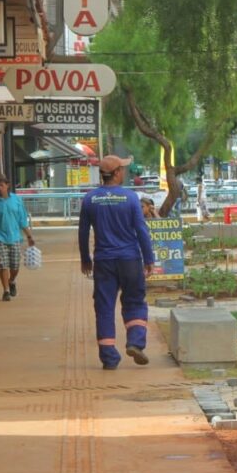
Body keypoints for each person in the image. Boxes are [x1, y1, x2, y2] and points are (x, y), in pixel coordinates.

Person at [79, 155, 156, 370]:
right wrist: (148, 258)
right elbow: (141, 230)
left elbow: (83, 231)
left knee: (104, 307)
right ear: (116, 173)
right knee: (135, 301)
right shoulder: (131, 198)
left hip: (104, 261)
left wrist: (85, 258)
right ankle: (135, 342)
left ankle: (109, 357)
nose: (124, 171)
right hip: (130, 259)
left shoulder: (90, 199)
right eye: (122, 168)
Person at [0, 173, 35, 302]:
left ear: (7, 185)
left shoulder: (16, 200)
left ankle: (12, 281)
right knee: (3, 264)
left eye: (1, 185)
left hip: (15, 237)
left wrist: (29, 236)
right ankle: (6, 291)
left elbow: (22, 220)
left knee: (15, 266)